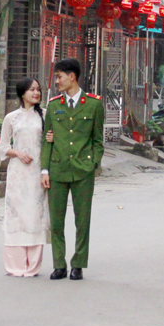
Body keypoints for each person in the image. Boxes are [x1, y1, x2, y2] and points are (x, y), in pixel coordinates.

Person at [41, 58, 104, 280]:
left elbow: (98, 140)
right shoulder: (54, 105)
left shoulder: (94, 104)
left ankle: (78, 263)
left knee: (82, 220)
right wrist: (44, 170)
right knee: (56, 221)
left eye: (59, 76)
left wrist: (93, 164)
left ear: (72, 77)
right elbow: (46, 140)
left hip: (82, 171)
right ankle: (59, 264)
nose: (57, 81)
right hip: (57, 169)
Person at [0, 78, 50, 277]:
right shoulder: (11, 118)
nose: (36, 93)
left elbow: (49, 143)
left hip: (38, 172)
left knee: (36, 214)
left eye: (38, 89)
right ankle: (15, 265)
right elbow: (3, 147)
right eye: (32, 90)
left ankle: (33, 266)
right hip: (18, 174)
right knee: (16, 214)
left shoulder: (45, 116)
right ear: (22, 94)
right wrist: (18, 153)